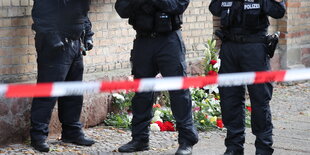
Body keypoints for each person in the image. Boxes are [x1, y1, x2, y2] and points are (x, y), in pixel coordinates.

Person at [115, 0, 199, 154]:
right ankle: (139, 139)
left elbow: (178, 6)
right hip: (143, 40)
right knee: (142, 93)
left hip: (169, 40)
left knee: (179, 92)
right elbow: (121, 9)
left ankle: (187, 141)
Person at [209, 0, 285, 155]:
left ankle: (263, 148)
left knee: (259, 99)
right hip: (230, 48)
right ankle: (233, 147)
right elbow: (214, 8)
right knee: (230, 100)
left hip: (255, 49)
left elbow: (278, 11)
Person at [30, 0, 95, 152]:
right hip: (55, 46)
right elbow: (40, 15)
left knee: (73, 92)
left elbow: (82, 14)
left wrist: (88, 35)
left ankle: (72, 131)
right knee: (47, 94)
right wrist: (54, 39)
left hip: (75, 44)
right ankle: (38, 136)